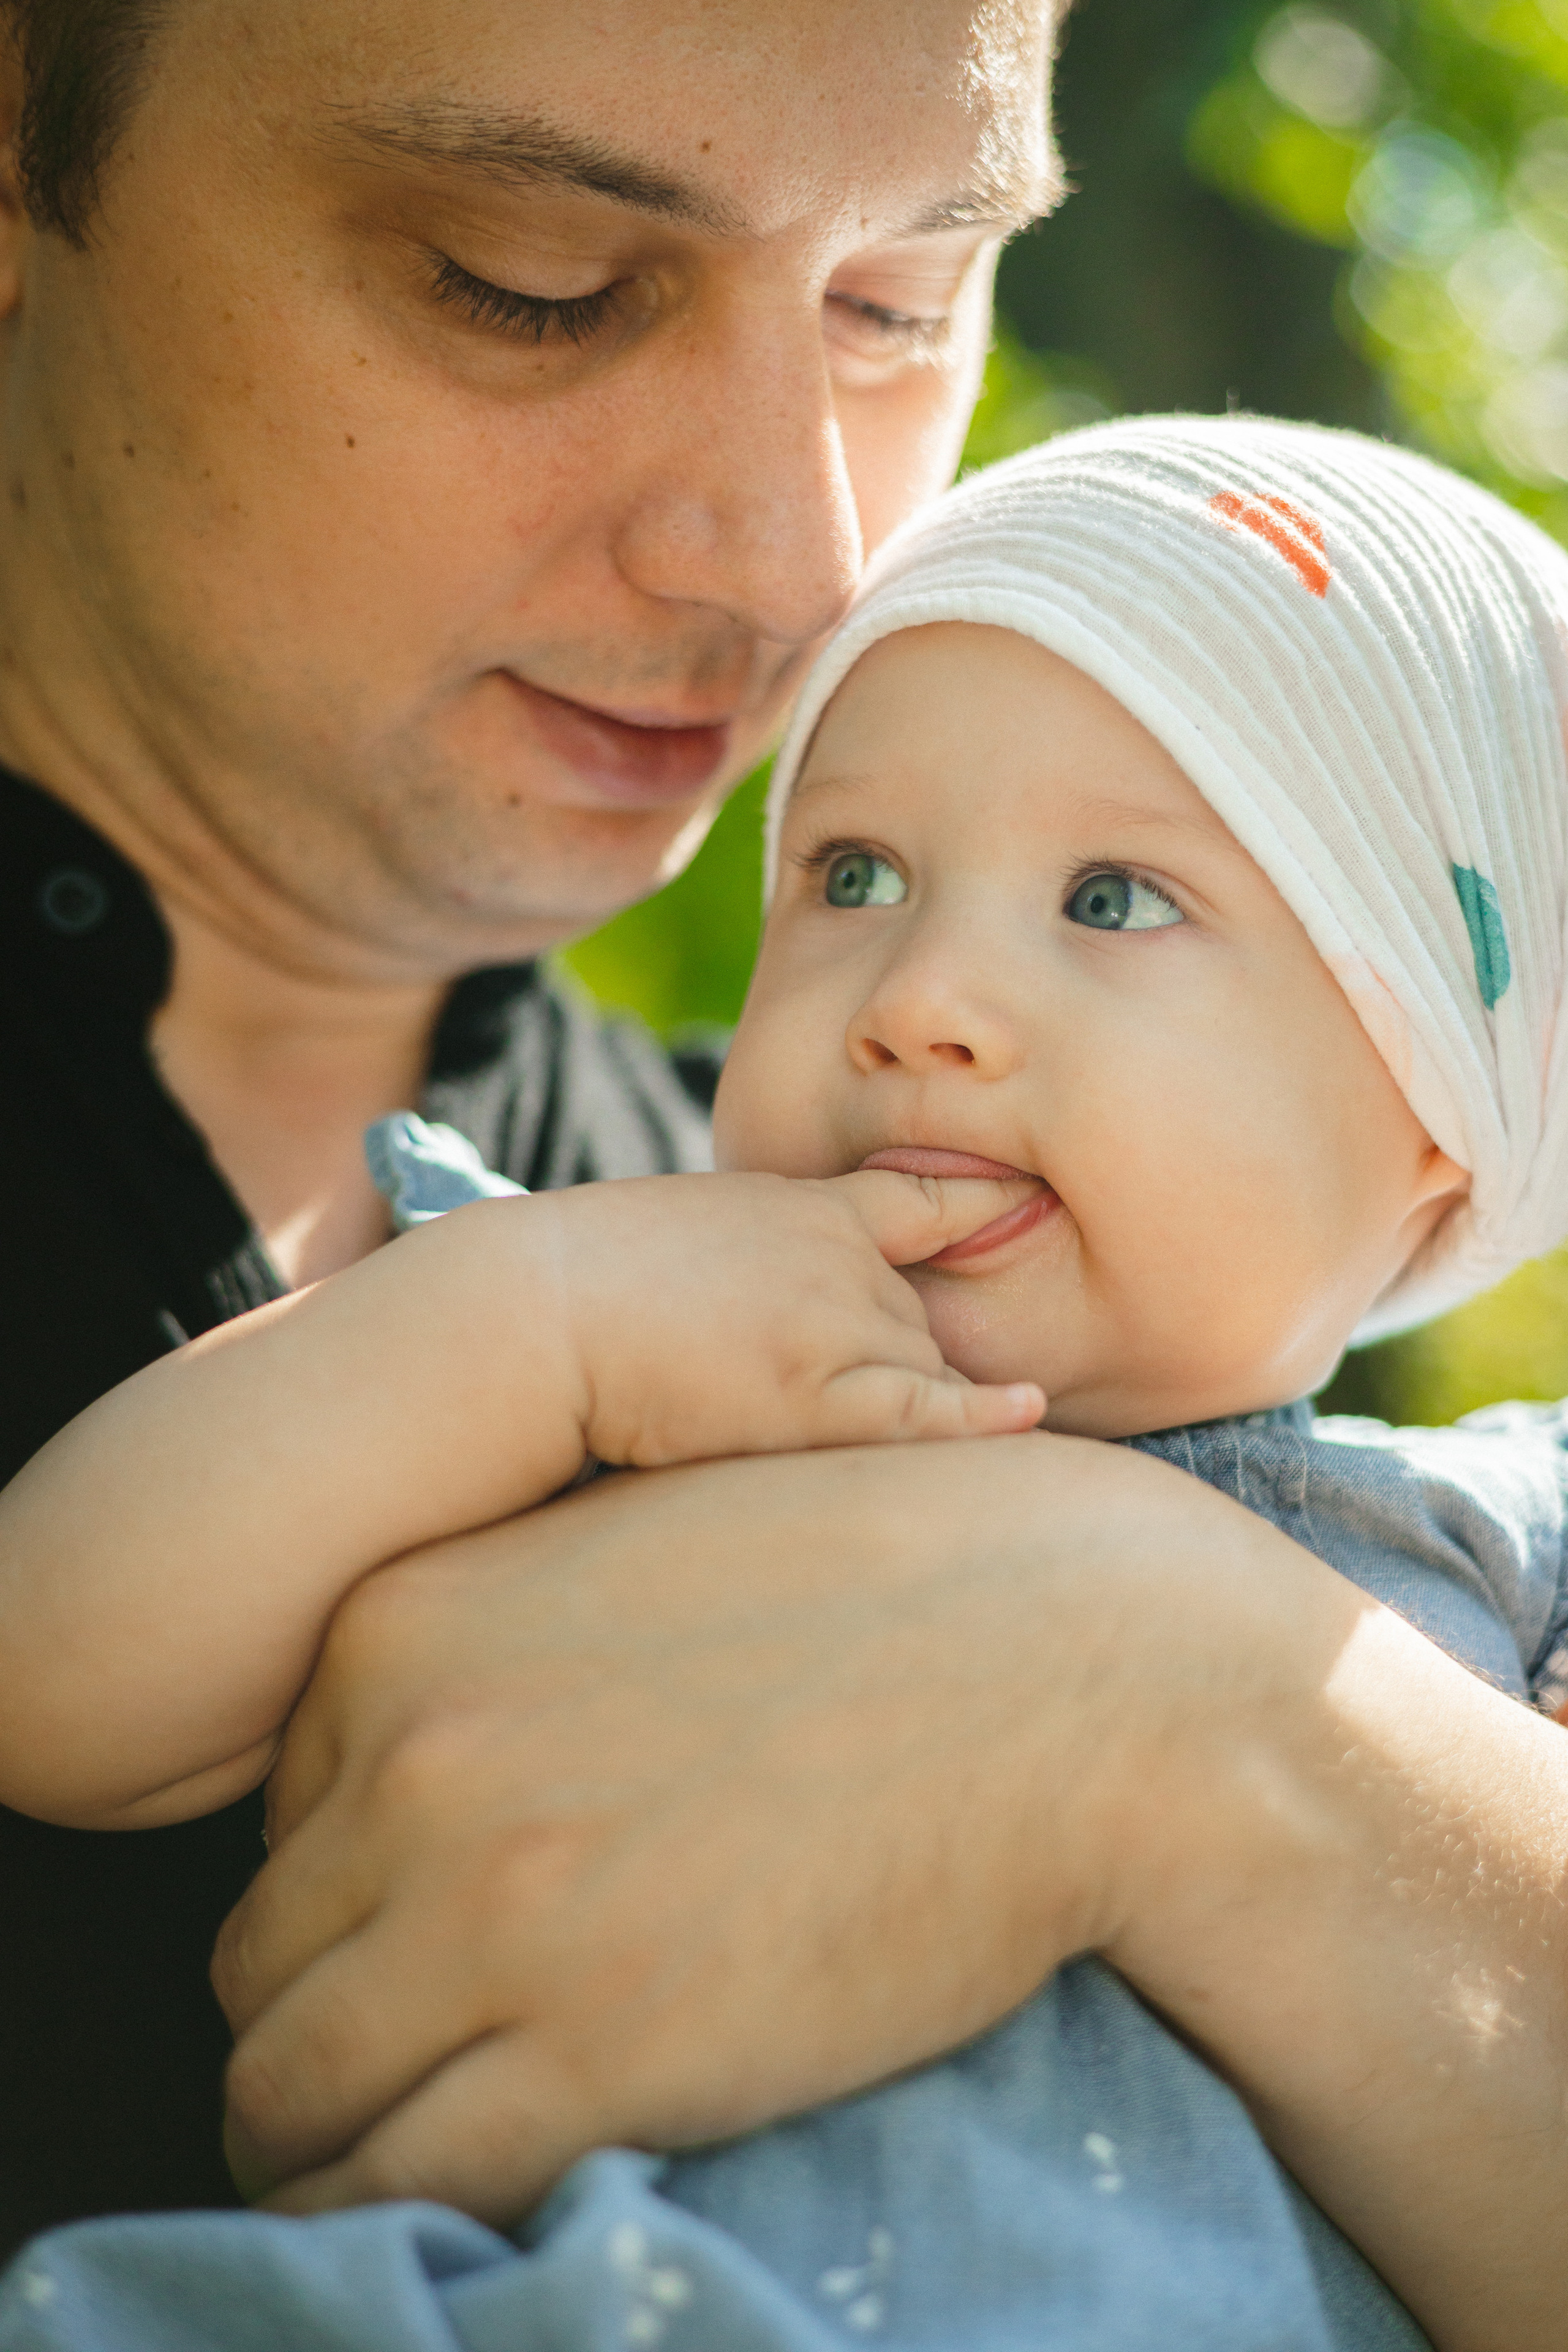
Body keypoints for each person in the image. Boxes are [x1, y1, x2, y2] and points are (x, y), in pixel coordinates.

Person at [0, 3, 1562, 2348]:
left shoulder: (1487, 1555)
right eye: (530, 276)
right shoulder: (598, 1315)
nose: (796, 551)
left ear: (1441, 1122)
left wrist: (1198, 1712)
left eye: (901, 306)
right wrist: (520, 1328)